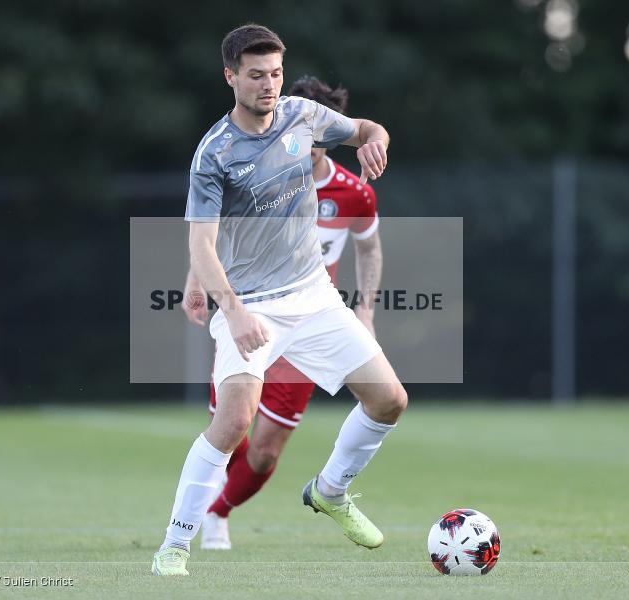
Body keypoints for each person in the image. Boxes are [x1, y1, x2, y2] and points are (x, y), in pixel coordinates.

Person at [152, 24, 407, 577]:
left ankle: (331, 491)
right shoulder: (215, 153)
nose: (269, 85)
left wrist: (375, 139)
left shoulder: (302, 115)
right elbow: (200, 241)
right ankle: (174, 545)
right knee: (234, 423)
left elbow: (365, 126)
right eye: (256, 75)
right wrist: (235, 311)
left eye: (275, 74)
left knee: (389, 401)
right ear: (230, 77)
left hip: (314, 297)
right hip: (249, 303)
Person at [181, 75, 384, 551]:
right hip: (251, 312)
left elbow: (370, 251)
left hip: (310, 320)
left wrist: (366, 309)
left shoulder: (354, 193)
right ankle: (184, 528)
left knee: (267, 448)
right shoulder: (254, 167)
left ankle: (218, 513)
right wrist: (195, 277)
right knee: (232, 430)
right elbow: (211, 231)